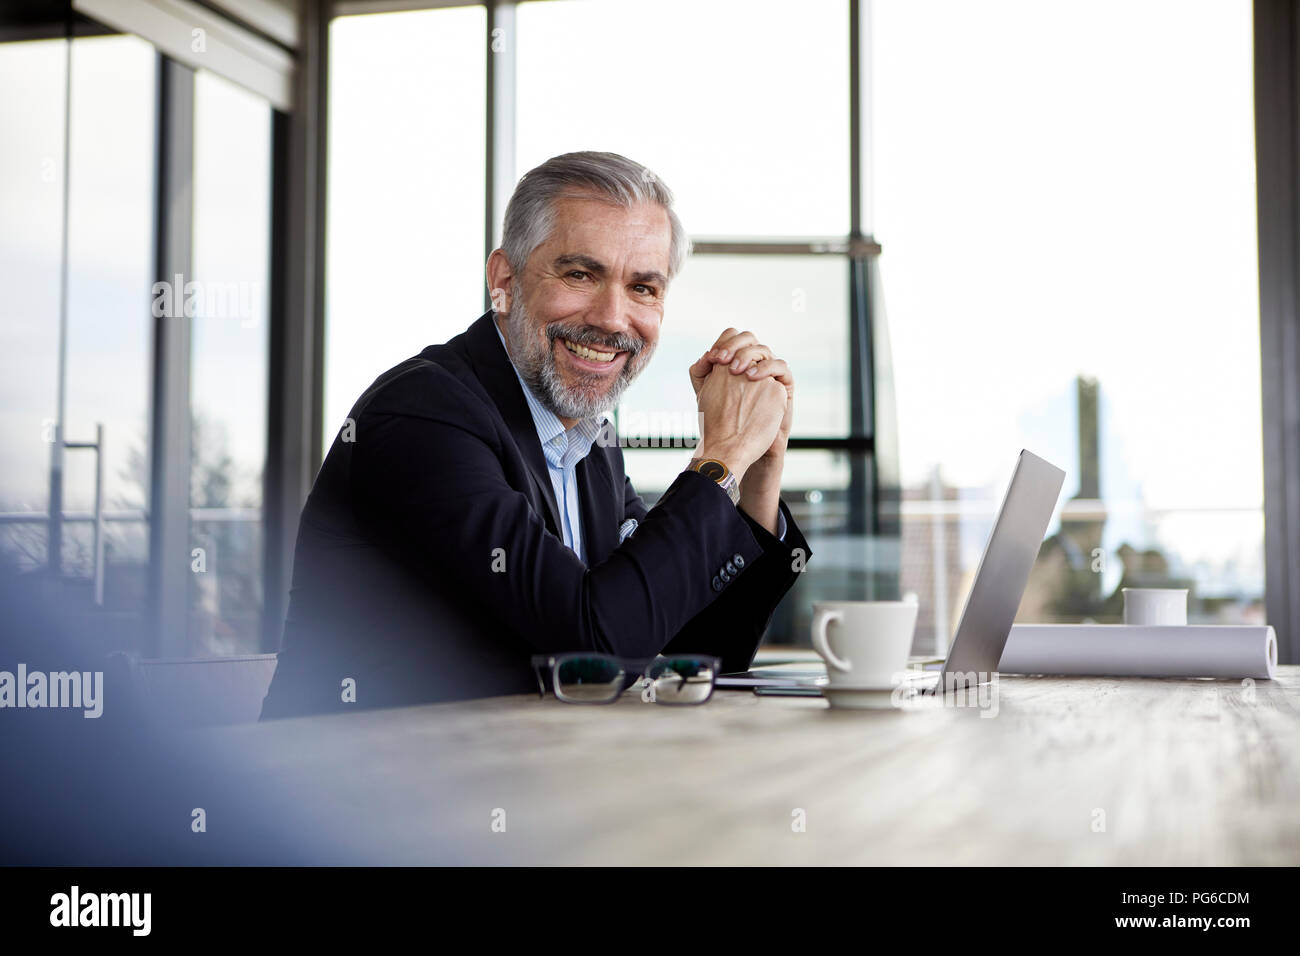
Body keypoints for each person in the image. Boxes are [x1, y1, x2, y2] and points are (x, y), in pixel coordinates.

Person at [260, 151, 812, 719]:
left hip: (515, 782)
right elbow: (591, 648)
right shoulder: (422, 417)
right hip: (354, 792)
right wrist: (718, 457)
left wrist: (754, 475)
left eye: (643, 288)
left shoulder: (588, 439)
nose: (612, 318)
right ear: (504, 280)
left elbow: (692, 647)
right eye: (580, 274)